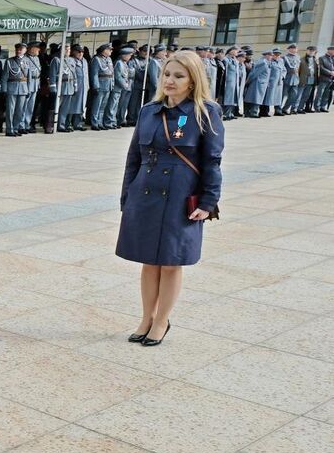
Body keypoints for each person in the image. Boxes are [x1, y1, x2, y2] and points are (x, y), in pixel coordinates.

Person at [116, 49, 222, 347]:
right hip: (145, 193)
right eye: (166, 74)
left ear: (193, 80)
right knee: (149, 261)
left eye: (178, 76)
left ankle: (162, 320)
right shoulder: (148, 111)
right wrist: (127, 195)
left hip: (180, 194)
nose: (170, 81)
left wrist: (207, 201)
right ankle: (146, 317)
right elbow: (134, 157)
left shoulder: (206, 112)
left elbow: (212, 160)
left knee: (171, 262)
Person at [2, 41, 30, 137]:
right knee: (10, 110)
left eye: (21, 49)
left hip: (23, 88)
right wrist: (4, 89)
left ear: (25, 50)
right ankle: (9, 130)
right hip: (12, 87)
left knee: (20, 110)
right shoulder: (9, 61)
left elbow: (29, 78)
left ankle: (16, 128)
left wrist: (28, 90)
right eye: (17, 49)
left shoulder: (28, 61)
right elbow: (4, 76)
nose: (18, 51)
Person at [106, 47, 134, 129]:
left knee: (115, 105)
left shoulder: (124, 63)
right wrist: (125, 85)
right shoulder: (119, 63)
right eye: (128, 55)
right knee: (112, 105)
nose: (129, 57)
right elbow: (118, 77)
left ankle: (113, 121)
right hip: (117, 87)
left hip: (120, 88)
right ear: (124, 55)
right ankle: (109, 122)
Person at [52, 46, 79, 132]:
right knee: (57, 107)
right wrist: (53, 88)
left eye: (69, 50)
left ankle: (62, 125)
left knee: (66, 108)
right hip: (61, 86)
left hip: (69, 86)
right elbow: (52, 75)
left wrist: (75, 85)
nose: (68, 51)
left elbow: (74, 74)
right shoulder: (56, 60)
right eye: (66, 49)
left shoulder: (71, 60)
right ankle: (54, 125)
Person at [243, 51, 268, 117]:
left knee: (253, 98)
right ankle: (253, 113)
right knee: (256, 99)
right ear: (266, 55)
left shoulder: (264, 62)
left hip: (259, 84)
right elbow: (254, 74)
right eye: (270, 55)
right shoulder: (262, 63)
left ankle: (249, 112)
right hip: (258, 84)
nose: (271, 57)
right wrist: (248, 82)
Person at [280, 43, 301, 114]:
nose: (294, 50)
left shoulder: (298, 57)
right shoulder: (284, 57)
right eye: (292, 48)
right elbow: (282, 68)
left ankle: (285, 108)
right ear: (289, 49)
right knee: (282, 95)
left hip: (295, 79)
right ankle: (278, 109)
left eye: (295, 48)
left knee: (293, 96)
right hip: (287, 78)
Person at [298, 46, 319, 113]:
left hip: (312, 79)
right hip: (303, 79)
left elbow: (317, 71)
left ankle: (301, 108)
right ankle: (296, 108)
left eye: (313, 51)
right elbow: (298, 71)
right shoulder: (301, 59)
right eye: (310, 50)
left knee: (306, 95)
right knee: (299, 95)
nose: (311, 52)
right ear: (307, 51)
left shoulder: (315, 60)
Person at [266, 48, 286, 116]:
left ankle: (278, 110)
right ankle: (266, 111)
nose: (277, 56)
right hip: (271, 81)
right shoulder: (269, 61)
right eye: (275, 54)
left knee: (278, 97)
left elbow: (284, 70)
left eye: (279, 54)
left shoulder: (281, 61)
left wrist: (283, 76)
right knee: (268, 97)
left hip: (279, 82)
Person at [318, 45, 334, 112]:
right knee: (320, 94)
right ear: (329, 50)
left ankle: (323, 107)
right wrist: (330, 72)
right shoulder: (322, 58)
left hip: (330, 79)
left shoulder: (332, 58)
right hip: (323, 79)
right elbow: (321, 68)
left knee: (326, 95)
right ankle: (317, 107)